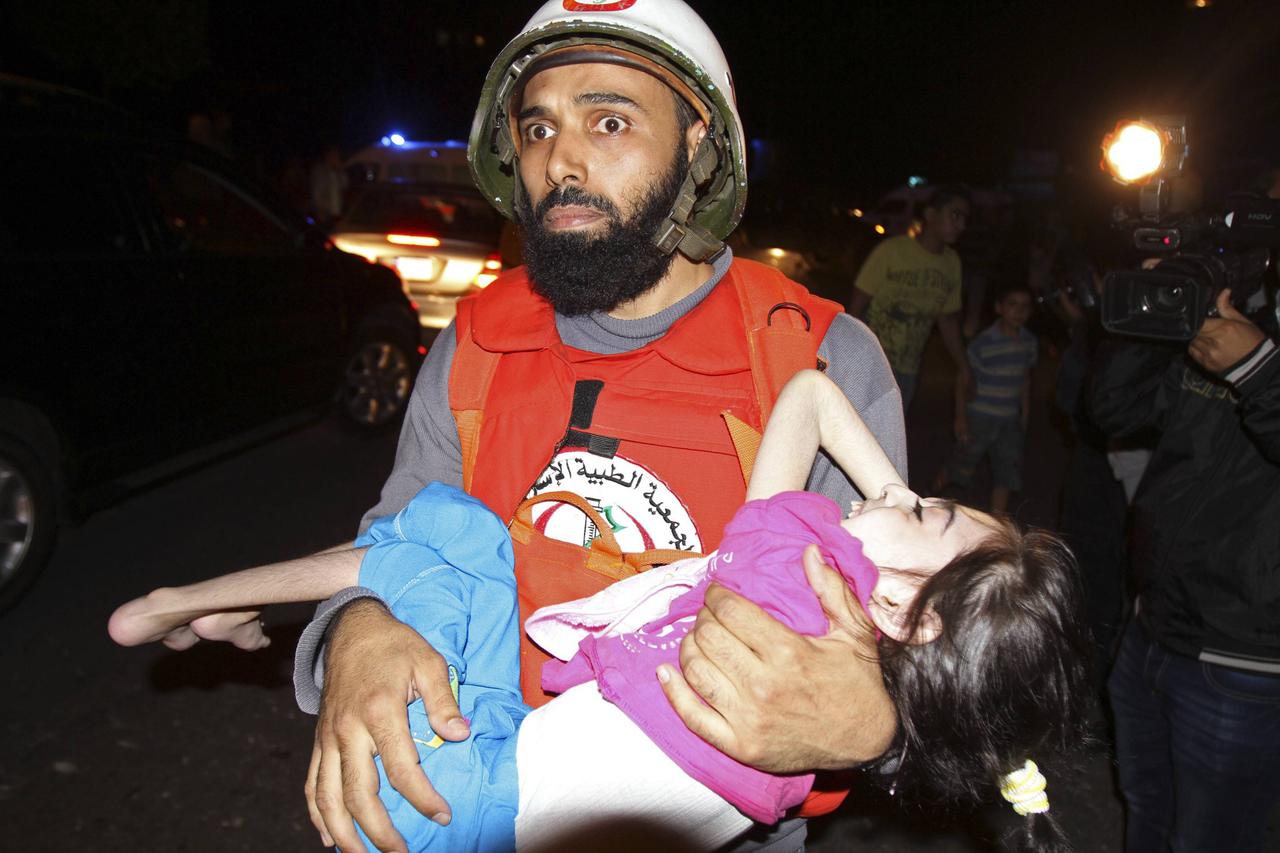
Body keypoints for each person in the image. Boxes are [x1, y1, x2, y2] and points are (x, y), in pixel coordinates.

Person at [140, 3, 905, 851]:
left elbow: (910, 639)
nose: (561, 159)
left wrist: (879, 720)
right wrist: (356, 630)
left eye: (608, 120)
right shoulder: (475, 340)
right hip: (479, 788)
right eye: (537, 127)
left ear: (697, 145)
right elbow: (400, 545)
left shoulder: (818, 357)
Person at [111, 369, 1089, 853]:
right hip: (498, 766)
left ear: (909, 613)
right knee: (458, 537)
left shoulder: (792, 576)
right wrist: (906, 537)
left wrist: (881, 513)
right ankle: (205, 607)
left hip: (448, 794)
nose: (900, 493)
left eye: (930, 512)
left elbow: (804, 393)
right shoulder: (855, 673)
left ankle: (190, 599)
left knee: (454, 532)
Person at [1091, 286, 1280, 853]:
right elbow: (1113, 409)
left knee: (1210, 840)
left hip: (1246, 658)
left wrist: (1260, 369)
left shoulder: (1254, 348)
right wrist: (1152, 313)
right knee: (1145, 808)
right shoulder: (1245, 307)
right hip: (1152, 625)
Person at [850, 184, 974, 408]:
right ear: (931, 214)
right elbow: (857, 306)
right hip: (871, 363)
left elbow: (947, 320)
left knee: (890, 440)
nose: (961, 226)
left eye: (965, 219)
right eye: (955, 216)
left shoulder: (952, 263)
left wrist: (964, 366)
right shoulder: (892, 251)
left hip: (907, 371)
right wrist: (849, 358)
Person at [932, 283, 1037, 513]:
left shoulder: (1029, 342)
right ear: (999, 307)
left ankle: (997, 525)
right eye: (1012, 305)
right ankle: (931, 494)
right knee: (961, 464)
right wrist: (960, 417)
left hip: (1009, 419)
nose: (1019, 311)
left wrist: (1024, 413)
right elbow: (963, 378)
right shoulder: (984, 343)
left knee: (1006, 472)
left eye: (1025, 306)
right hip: (980, 416)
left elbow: (1025, 380)